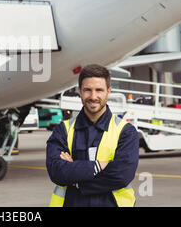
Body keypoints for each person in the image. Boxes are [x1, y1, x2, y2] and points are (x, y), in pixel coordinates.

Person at [46, 64, 139, 207]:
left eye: (99, 90)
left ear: (108, 91)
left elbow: (121, 175)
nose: (93, 96)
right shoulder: (62, 130)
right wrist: (101, 165)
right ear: (79, 91)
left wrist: (77, 181)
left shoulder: (126, 131)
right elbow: (57, 172)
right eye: (88, 90)